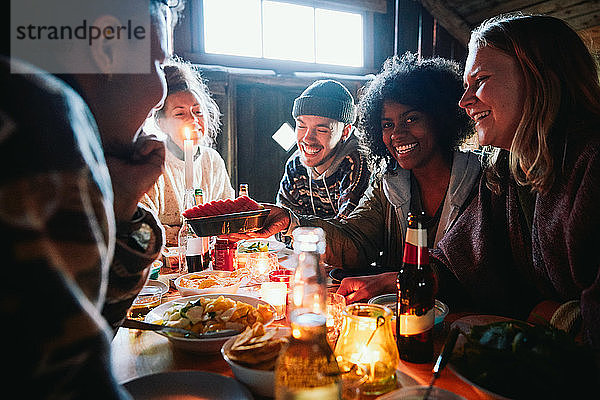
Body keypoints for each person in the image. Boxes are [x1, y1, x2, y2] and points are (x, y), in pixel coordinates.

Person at [1, 1, 177, 398]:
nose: (159, 92)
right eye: (159, 65)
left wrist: (121, 204)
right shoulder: (40, 115)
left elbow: (78, 331)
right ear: (106, 46)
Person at [231, 53, 479, 294]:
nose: (397, 134)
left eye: (411, 119)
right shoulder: (389, 184)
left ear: (440, 118)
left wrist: (388, 281)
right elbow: (354, 240)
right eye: (387, 124)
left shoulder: (483, 182)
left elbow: (472, 271)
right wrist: (290, 222)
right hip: (400, 315)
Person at [142, 57, 234, 246]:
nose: (193, 120)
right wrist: (187, 234)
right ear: (161, 123)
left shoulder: (212, 160)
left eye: (198, 112)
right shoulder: (153, 161)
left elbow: (227, 218)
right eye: (180, 113)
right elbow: (142, 228)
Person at [276, 79, 370, 219]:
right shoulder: (295, 166)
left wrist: (295, 227)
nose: (308, 139)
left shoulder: (357, 162)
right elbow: (281, 222)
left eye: (321, 130)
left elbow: (349, 230)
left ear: (345, 132)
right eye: (302, 126)